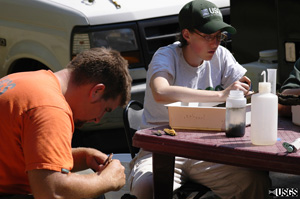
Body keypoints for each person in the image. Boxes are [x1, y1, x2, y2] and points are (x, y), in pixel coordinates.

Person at [129, 0, 271, 198]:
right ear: (187, 35)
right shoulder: (166, 55)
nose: (215, 43)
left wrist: (244, 88)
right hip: (161, 149)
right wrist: (221, 95)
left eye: (219, 36)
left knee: (254, 181)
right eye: (207, 36)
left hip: (206, 149)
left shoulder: (221, 54)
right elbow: (161, 92)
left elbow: (244, 87)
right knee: (145, 189)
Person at [0, 47, 132, 198]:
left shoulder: (24, 80)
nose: (98, 119)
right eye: (106, 109)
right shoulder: (51, 108)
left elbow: (28, 153)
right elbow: (51, 192)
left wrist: (83, 157)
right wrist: (107, 180)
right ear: (97, 91)